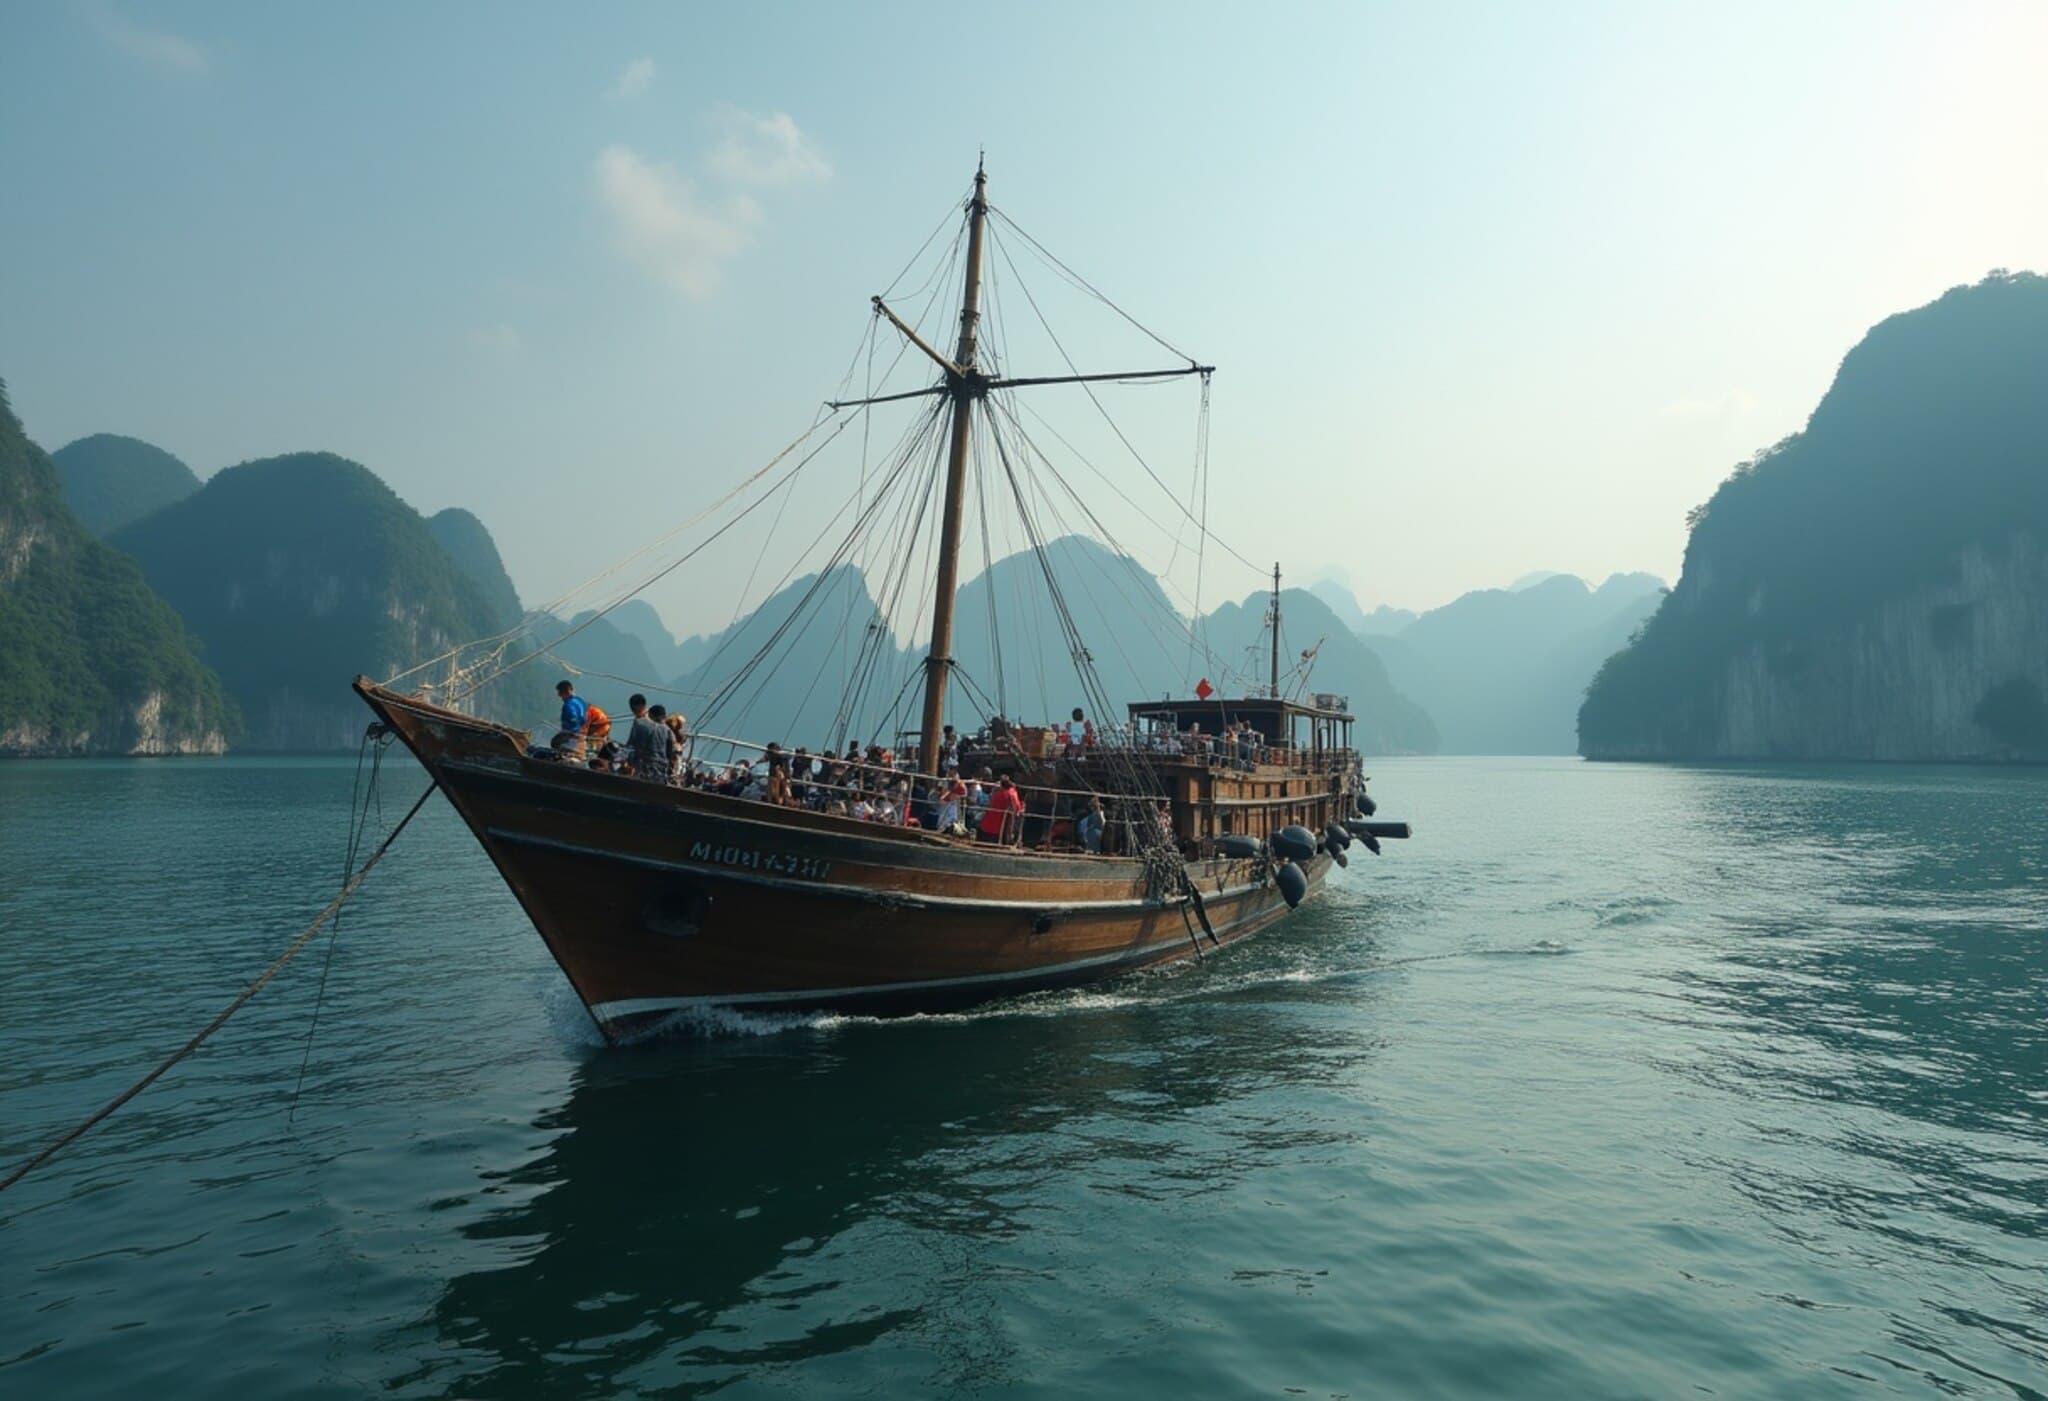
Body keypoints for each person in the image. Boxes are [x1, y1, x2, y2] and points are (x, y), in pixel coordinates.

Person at [626, 695, 670, 781]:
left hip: (645, 767)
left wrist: (628, 758)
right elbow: (670, 749)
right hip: (661, 768)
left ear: (633, 707)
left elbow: (632, 746)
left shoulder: (639, 722)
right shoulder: (666, 728)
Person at [978, 774, 1025, 845]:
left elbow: (1014, 807)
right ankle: (1009, 840)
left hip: (994, 825)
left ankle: (1009, 840)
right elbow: (1016, 807)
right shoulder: (1011, 792)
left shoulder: (1003, 793)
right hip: (997, 824)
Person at [553, 680, 589, 756]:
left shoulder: (568, 705)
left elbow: (573, 721)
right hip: (582, 737)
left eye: (560, 693)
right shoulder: (580, 701)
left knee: (555, 744)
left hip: (572, 738)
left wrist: (568, 734)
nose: (559, 696)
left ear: (566, 692)